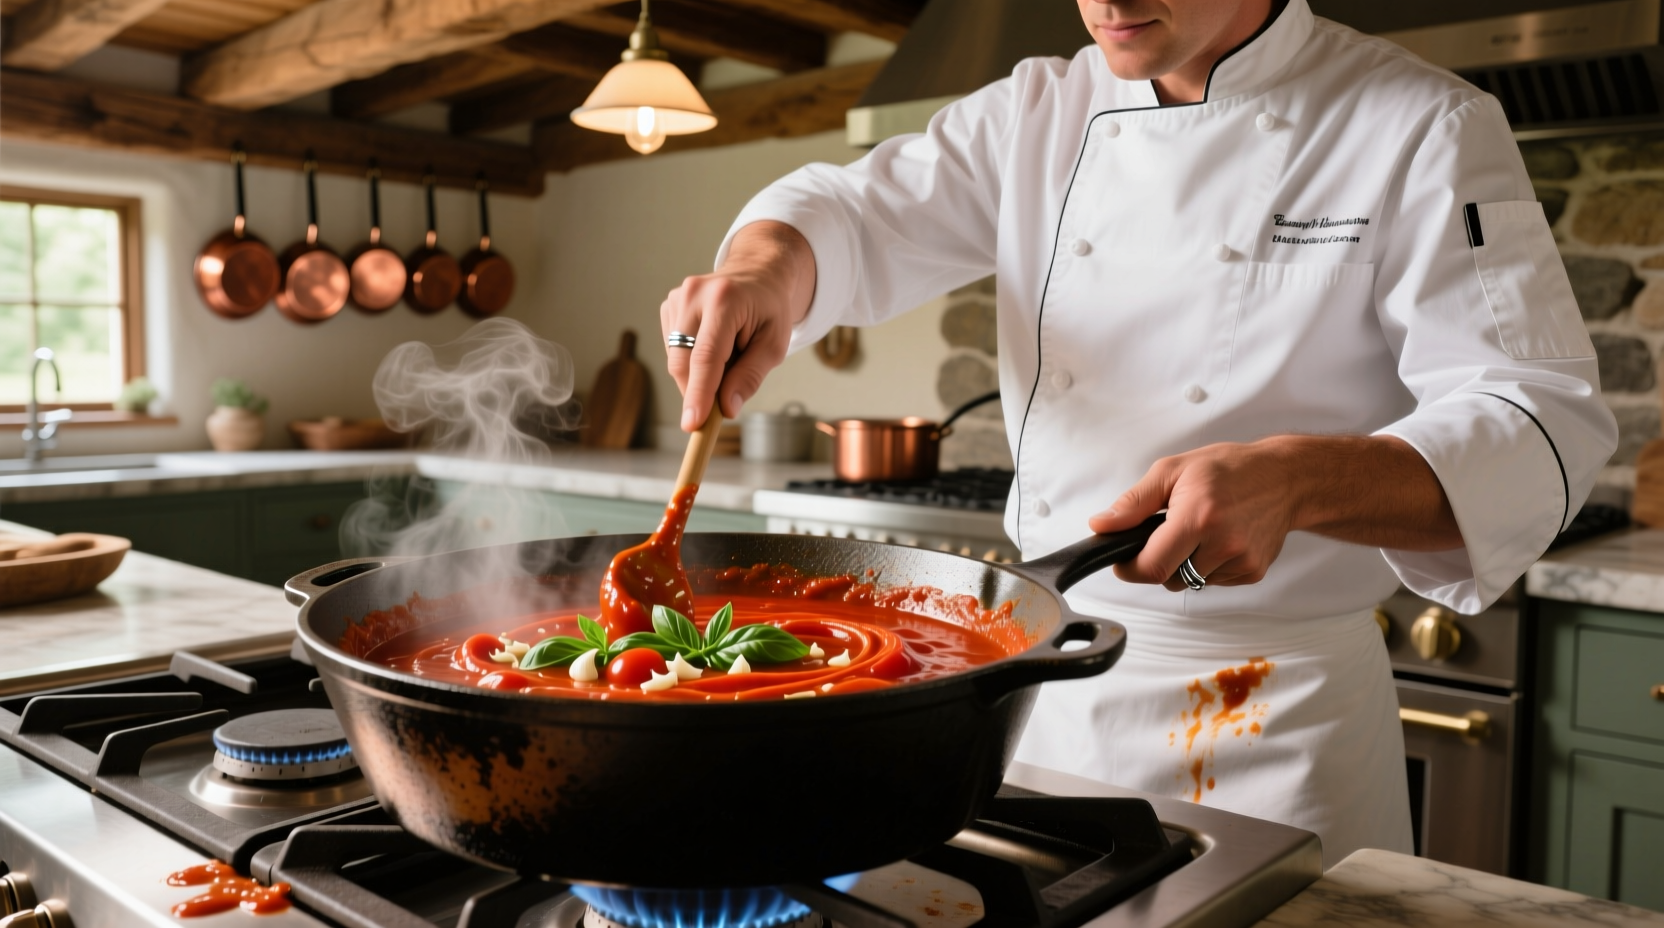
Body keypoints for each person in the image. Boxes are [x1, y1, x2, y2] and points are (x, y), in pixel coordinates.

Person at [657, 0, 1616, 866]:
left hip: (1278, 728)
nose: (1107, 2)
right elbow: (851, 212)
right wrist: (766, 267)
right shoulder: (1040, 111)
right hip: (1042, 706)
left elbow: (1543, 424)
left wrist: (1301, 477)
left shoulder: (1418, 124)